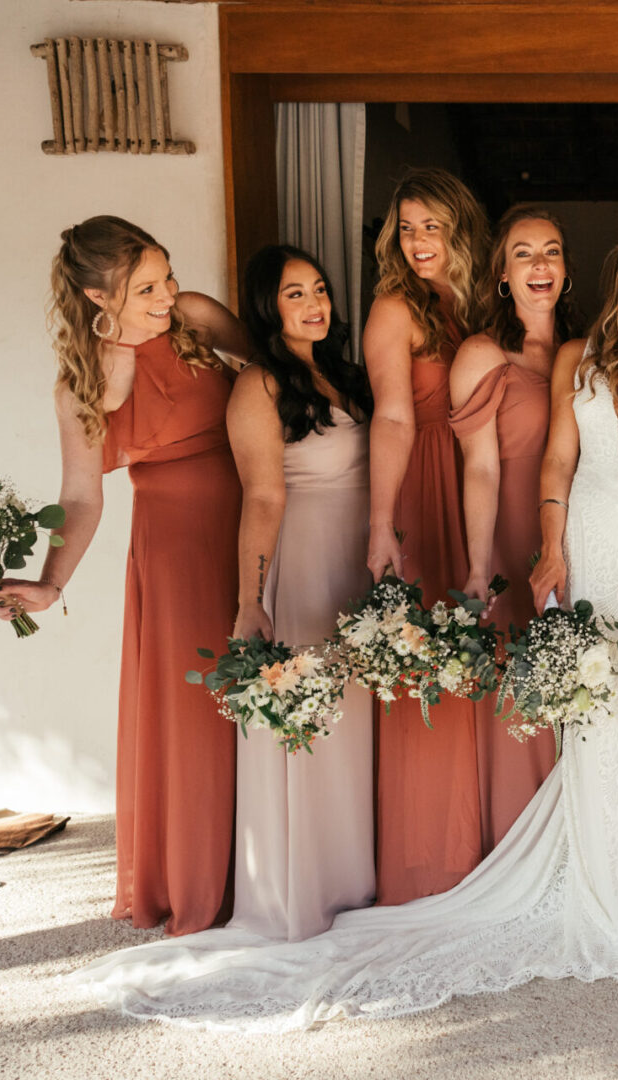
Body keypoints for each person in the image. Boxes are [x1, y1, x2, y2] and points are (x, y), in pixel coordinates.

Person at [72, 218, 618, 1031]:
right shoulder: (567, 357)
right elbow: (538, 461)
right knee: (588, 723)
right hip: (581, 544)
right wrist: (533, 547)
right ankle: (597, 879)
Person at [0, 216, 251, 935]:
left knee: (281, 674)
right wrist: (49, 583)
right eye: (146, 288)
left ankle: (285, 863)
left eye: (167, 275)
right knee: (201, 703)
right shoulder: (78, 387)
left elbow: (277, 378)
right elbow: (81, 495)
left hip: (261, 506)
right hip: (175, 545)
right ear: (99, 296)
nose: (168, 294)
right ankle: (204, 877)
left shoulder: (194, 314)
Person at [222, 244, 376, 941]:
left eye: (319, 289)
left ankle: (350, 879)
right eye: (294, 295)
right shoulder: (259, 384)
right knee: (312, 723)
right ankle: (298, 888)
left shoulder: (341, 374)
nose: (316, 304)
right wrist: (251, 599)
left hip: (356, 565)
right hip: (306, 560)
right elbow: (260, 498)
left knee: (354, 722)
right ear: (266, 306)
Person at [362, 168, 491, 903]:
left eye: (431, 226)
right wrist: (383, 522)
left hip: (481, 483)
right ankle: (427, 858)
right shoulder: (394, 308)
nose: (417, 242)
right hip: (422, 478)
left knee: (481, 655)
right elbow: (393, 416)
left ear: (459, 230)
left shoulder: (479, 304)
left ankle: (485, 839)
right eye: (406, 227)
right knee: (428, 662)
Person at [449, 205, 582, 853]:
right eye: (523, 253)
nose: (539, 265)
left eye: (551, 251)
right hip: (509, 536)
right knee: (521, 697)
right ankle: (522, 846)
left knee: (586, 685)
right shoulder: (482, 354)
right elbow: (477, 470)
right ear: (502, 274)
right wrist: (480, 569)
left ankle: (582, 842)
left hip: (584, 540)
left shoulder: (589, 350)